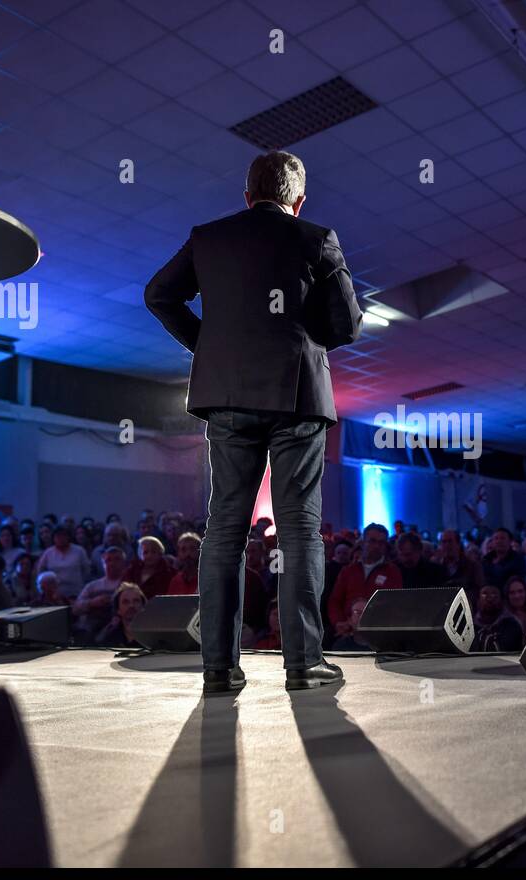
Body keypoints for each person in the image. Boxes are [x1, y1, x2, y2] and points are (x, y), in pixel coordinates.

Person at [147, 150, 362, 694]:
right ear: (299, 200)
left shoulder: (208, 237)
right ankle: (303, 664)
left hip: (228, 397)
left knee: (224, 530)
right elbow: (348, 325)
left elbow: (158, 295)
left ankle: (219, 667)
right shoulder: (316, 237)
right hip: (297, 398)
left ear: (246, 195)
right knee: (298, 531)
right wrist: (302, 332)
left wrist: (210, 348)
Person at [328, 523, 402, 641]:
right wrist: (339, 622)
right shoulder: (348, 570)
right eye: (372, 541)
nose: (377, 546)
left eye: (381, 542)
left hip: (377, 633)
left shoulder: (392, 572)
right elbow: (335, 601)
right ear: (363, 542)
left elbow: (394, 603)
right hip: (347, 632)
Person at [74, 547, 129, 640]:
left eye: (117, 559)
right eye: (108, 560)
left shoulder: (130, 584)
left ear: (124, 563)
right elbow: (75, 609)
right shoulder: (92, 586)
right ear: (103, 563)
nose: (112, 563)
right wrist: (92, 603)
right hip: (93, 630)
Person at [33, 526, 93, 599]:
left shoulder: (79, 551)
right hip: (54, 594)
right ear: (53, 538)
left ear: (68, 537)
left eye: (63, 535)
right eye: (58, 536)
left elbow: (86, 571)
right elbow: (40, 572)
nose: (60, 538)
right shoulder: (48, 553)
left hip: (76, 592)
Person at [435, 528, 485, 609]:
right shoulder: (435, 566)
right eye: (444, 542)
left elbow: (478, 589)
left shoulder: (473, 565)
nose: (447, 545)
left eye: (450, 541)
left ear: (458, 543)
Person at [471, 584, 523, 652]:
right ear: (478, 600)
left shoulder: (512, 625)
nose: (489, 599)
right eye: (484, 594)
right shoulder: (470, 627)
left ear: (501, 600)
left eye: (494, 594)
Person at [96, 582, 146, 648]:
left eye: (136, 601)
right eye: (126, 602)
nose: (131, 605)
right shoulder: (108, 638)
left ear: (143, 607)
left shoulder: (153, 637)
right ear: (118, 610)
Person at [125, 535, 175, 599]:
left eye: (153, 552)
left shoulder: (170, 573)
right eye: (145, 552)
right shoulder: (131, 571)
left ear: (160, 554)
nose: (149, 555)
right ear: (140, 555)